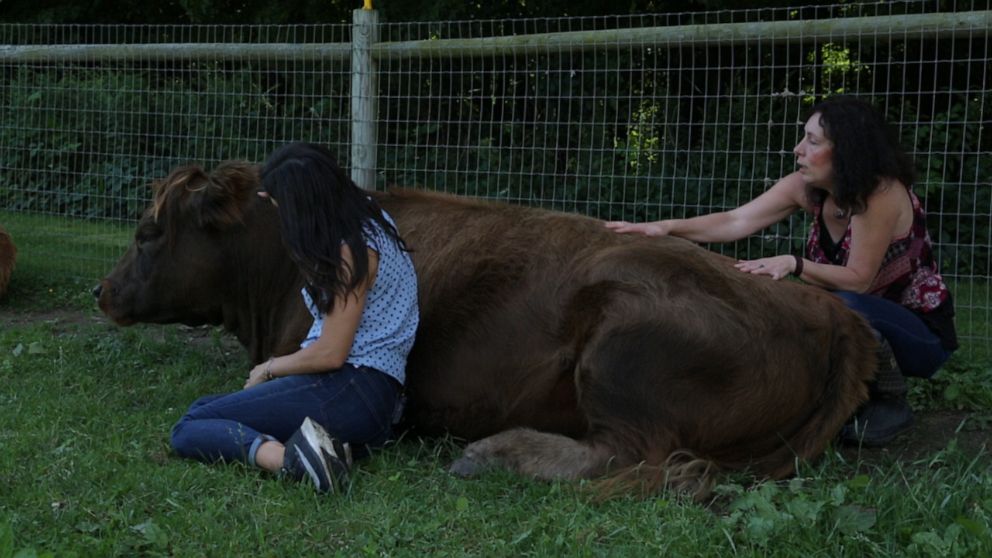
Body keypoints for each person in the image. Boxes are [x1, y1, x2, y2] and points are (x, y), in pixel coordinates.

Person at [606, 96, 957, 447]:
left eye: (813, 141)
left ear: (848, 150)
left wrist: (794, 263)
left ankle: (889, 402)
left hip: (918, 332)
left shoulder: (881, 194)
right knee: (778, 294)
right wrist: (665, 228)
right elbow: (735, 220)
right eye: (803, 138)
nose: (798, 149)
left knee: (841, 305)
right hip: (846, 311)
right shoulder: (807, 188)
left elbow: (859, 280)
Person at [170, 142, 419, 492]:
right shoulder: (370, 219)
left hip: (352, 390)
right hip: (370, 399)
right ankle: (314, 449)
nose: (283, 219)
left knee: (191, 425)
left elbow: (331, 353)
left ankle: (292, 461)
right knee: (208, 409)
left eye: (281, 207)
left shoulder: (350, 249)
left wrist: (269, 367)